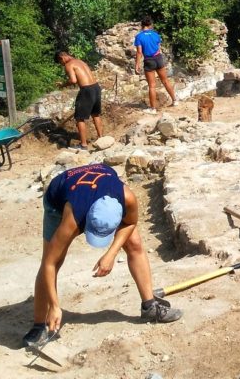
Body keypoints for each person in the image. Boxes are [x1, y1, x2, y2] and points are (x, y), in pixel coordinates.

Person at [24, 163, 181, 348]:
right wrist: (55, 306)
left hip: (99, 182)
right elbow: (49, 264)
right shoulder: (72, 217)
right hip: (60, 195)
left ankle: (150, 306)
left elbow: (130, 224)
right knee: (53, 260)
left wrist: (111, 254)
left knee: (135, 244)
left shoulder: (127, 198)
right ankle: (39, 325)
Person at [56, 51, 104, 150]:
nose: (62, 64)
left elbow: (73, 80)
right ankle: (101, 139)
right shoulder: (80, 61)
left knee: (79, 117)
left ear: (62, 57)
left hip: (86, 90)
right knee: (95, 114)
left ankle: (83, 145)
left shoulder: (69, 65)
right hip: (96, 87)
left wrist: (63, 85)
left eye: (60, 62)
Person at [134, 16, 177, 112]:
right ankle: (175, 100)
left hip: (149, 60)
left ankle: (153, 109)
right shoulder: (156, 35)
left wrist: (137, 65)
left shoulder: (139, 37)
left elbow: (139, 52)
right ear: (150, 25)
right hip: (158, 58)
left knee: (152, 85)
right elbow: (158, 48)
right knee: (165, 81)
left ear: (142, 25)